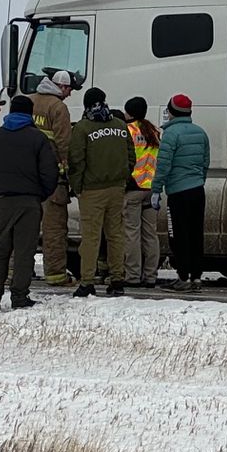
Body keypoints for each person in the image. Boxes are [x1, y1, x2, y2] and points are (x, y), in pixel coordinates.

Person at [0, 93, 59, 309]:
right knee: (24, 252)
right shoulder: (38, 138)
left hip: (2, 201)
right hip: (29, 202)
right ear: (29, 113)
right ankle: (19, 297)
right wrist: (41, 194)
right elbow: (50, 172)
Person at [67, 88, 136, 297]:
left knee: (91, 237)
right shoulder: (120, 125)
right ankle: (117, 279)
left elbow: (76, 161)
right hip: (117, 189)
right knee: (115, 235)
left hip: (91, 190)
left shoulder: (82, 128)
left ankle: (87, 281)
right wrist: (123, 178)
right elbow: (131, 156)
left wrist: (77, 187)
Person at [151, 93, 211, 291]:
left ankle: (182, 277)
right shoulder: (200, 132)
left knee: (178, 235)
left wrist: (156, 189)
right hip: (197, 190)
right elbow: (205, 162)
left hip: (178, 192)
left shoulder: (171, 134)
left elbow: (164, 164)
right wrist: (199, 180)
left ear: (171, 112)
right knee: (195, 234)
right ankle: (196, 277)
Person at [29, 70, 75, 285]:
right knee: (54, 229)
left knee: (23, 228)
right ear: (62, 87)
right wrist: (70, 174)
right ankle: (56, 274)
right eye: (69, 90)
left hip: (27, 177)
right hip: (52, 180)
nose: (69, 95)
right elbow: (65, 144)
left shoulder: (30, 101)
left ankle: (15, 271)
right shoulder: (58, 108)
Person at [121, 96, 162, 286]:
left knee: (131, 233)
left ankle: (132, 276)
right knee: (150, 235)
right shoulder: (154, 131)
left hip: (133, 187)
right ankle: (151, 276)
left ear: (129, 112)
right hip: (151, 188)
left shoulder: (128, 130)